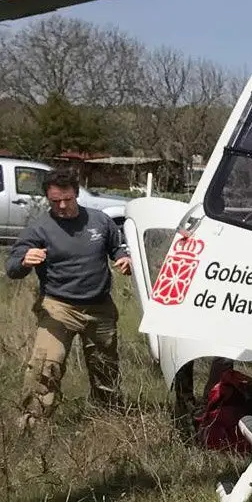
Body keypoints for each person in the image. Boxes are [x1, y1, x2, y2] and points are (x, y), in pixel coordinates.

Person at [4, 168, 132, 431]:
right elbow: (12, 267)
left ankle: (107, 420)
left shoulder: (100, 221)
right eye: (55, 201)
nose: (62, 206)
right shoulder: (39, 228)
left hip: (100, 307)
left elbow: (116, 247)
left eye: (67, 199)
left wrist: (124, 258)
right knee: (45, 366)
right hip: (58, 307)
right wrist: (24, 261)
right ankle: (32, 424)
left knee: (105, 367)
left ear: (77, 193)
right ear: (47, 199)